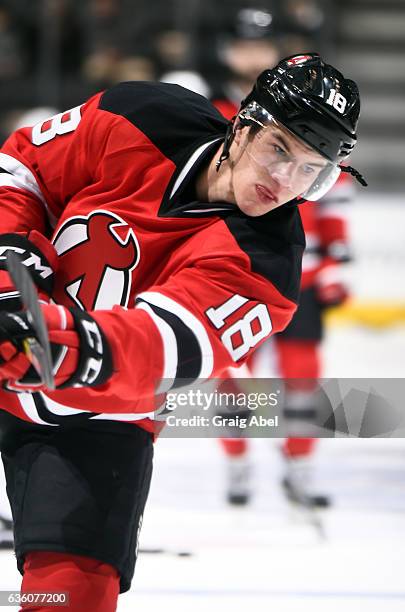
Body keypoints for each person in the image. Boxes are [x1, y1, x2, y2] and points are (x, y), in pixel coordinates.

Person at [0, 53, 363, 610]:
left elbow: (154, 349)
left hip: (93, 427)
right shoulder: (142, 114)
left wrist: (49, 341)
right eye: (279, 149)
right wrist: (10, 269)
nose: (284, 180)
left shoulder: (267, 264)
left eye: (311, 171)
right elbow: (22, 171)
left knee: (62, 600)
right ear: (243, 125)